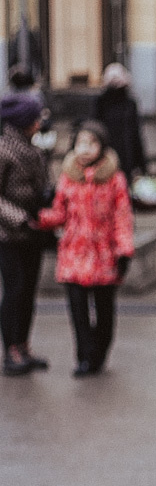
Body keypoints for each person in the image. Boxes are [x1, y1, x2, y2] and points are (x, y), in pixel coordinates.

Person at [39, 120, 134, 376]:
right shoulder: (68, 177)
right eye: (81, 143)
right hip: (74, 254)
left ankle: (99, 351)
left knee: (104, 314)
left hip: (104, 255)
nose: (85, 149)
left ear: (102, 147)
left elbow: (122, 217)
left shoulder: (114, 179)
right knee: (78, 314)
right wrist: (39, 216)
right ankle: (84, 357)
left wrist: (124, 250)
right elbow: (59, 214)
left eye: (91, 143)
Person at [0, 90, 50, 377]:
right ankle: (10, 351)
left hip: (35, 232)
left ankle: (24, 345)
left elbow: (41, 185)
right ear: (23, 121)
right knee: (15, 291)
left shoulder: (35, 148)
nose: (40, 121)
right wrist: (20, 219)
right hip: (9, 235)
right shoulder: (4, 149)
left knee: (29, 292)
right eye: (36, 117)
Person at [95, 63, 149, 184]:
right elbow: (95, 129)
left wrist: (142, 165)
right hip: (106, 157)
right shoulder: (101, 102)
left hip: (125, 157)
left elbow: (136, 134)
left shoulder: (130, 103)